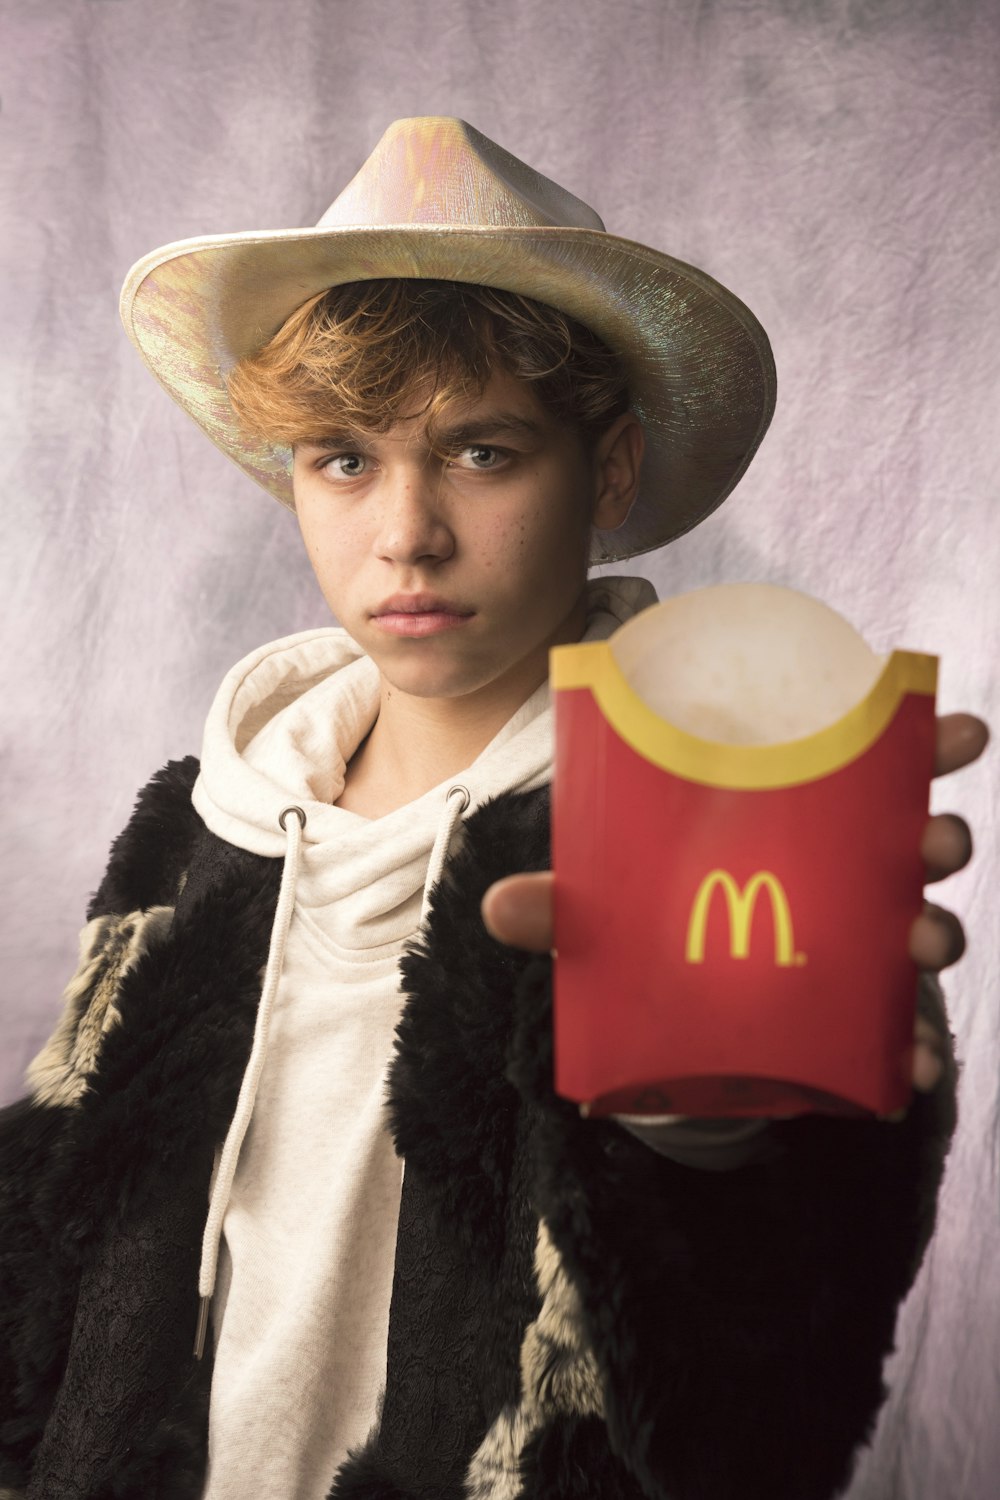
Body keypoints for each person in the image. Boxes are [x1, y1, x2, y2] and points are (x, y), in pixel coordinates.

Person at [0, 117, 985, 1500]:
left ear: (612, 469)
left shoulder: (729, 836)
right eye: (344, 458)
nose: (406, 531)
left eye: (480, 452)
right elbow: (53, 1246)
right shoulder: (196, 828)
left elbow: (767, 1392)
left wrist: (706, 1127)